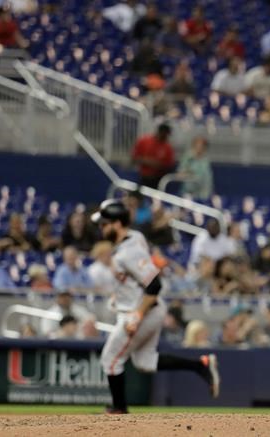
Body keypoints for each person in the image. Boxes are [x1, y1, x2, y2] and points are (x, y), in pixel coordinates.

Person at [91, 199, 220, 413]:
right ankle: (200, 366)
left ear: (117, 224)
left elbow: (154, 284)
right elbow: (138, 280)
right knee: (144, 361)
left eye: (104, 224)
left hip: (143, 311)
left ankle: (119, 409)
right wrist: (122, 296)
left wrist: (138, 314)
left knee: (110, 358)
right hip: (144, 307)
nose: (101, 228)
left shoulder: (128, 252)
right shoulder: (135, 237)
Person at [131, 123, 175, 188]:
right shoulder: (144, 141)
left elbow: (169, 165)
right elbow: (134, 158)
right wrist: (147, 161)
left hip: (158, 179)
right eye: (165, 134)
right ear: (160, 132)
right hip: (142, 177)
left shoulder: (167, 147)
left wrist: (158, 165)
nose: (166, 137)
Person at [177, 135, 214, 200]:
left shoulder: (206, 160)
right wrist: (188, 172)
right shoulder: (188, 157)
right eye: (197, 145)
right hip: (189, 192)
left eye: (202, 146)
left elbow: (208, 178)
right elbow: (180, 174)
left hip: (204, 193)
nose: (199, 147)